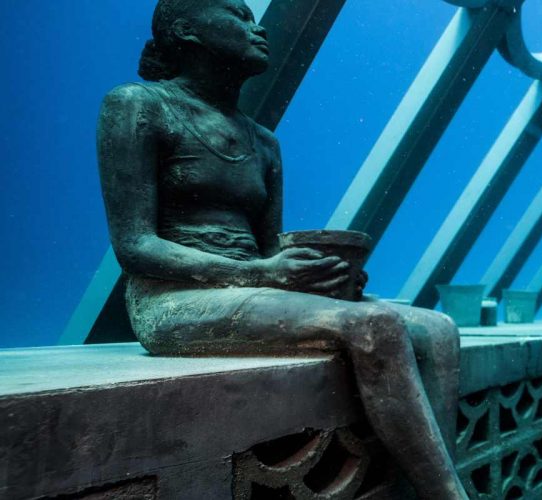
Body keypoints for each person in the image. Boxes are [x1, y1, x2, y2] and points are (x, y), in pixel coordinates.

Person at [97, 1, 466, 497]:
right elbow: (135, 247)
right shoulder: (137, 105)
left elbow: (271, 248)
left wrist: (328, 276)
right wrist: (264, 274)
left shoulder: (263, 142)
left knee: (439, 328)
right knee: (373, 325)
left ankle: (429, 483)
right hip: (171, 300)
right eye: (239, 16)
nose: (258, 28)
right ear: (185, 30)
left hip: (252, 290)